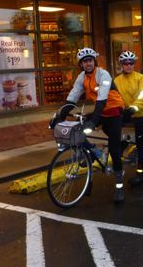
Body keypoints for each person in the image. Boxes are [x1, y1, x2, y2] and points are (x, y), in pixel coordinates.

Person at [51, 47, 126, 203]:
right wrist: (60, 115)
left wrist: (93, 121)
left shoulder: (103, 75)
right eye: (85, 62)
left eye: (90, 60)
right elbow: (72, 97)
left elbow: (102, 100)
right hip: (100, 111)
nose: (88, 63)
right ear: (81, 64)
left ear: (94, 61)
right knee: (77, 131)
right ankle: (94, 152)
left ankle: (119, 186)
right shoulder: (82, 77)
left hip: (114, 112)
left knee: (114, 149)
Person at [113, 50, 143, 187]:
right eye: (126, 63)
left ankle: (140, 173)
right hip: (127, 113)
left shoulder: (140, 78)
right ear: (122, 65)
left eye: (131, 63)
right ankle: (124, 143)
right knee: (114, 131)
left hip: (141, 114)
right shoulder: (117, 80)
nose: (129, 66)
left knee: (140, 144)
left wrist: (134, 108)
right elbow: (115, 97)